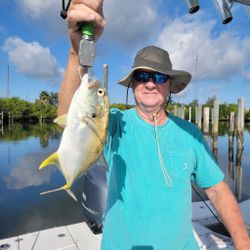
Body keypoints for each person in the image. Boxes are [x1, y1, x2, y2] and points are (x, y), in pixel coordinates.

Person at [58, 0, 250, 249]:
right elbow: (68, 117)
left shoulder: (190, 134)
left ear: (170, 85)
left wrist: (243, 242)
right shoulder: (113, 123)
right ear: (133, 84)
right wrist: (77, 52)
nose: (150, 83)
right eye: (142, 76)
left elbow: (217, 190)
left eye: (159, 77)